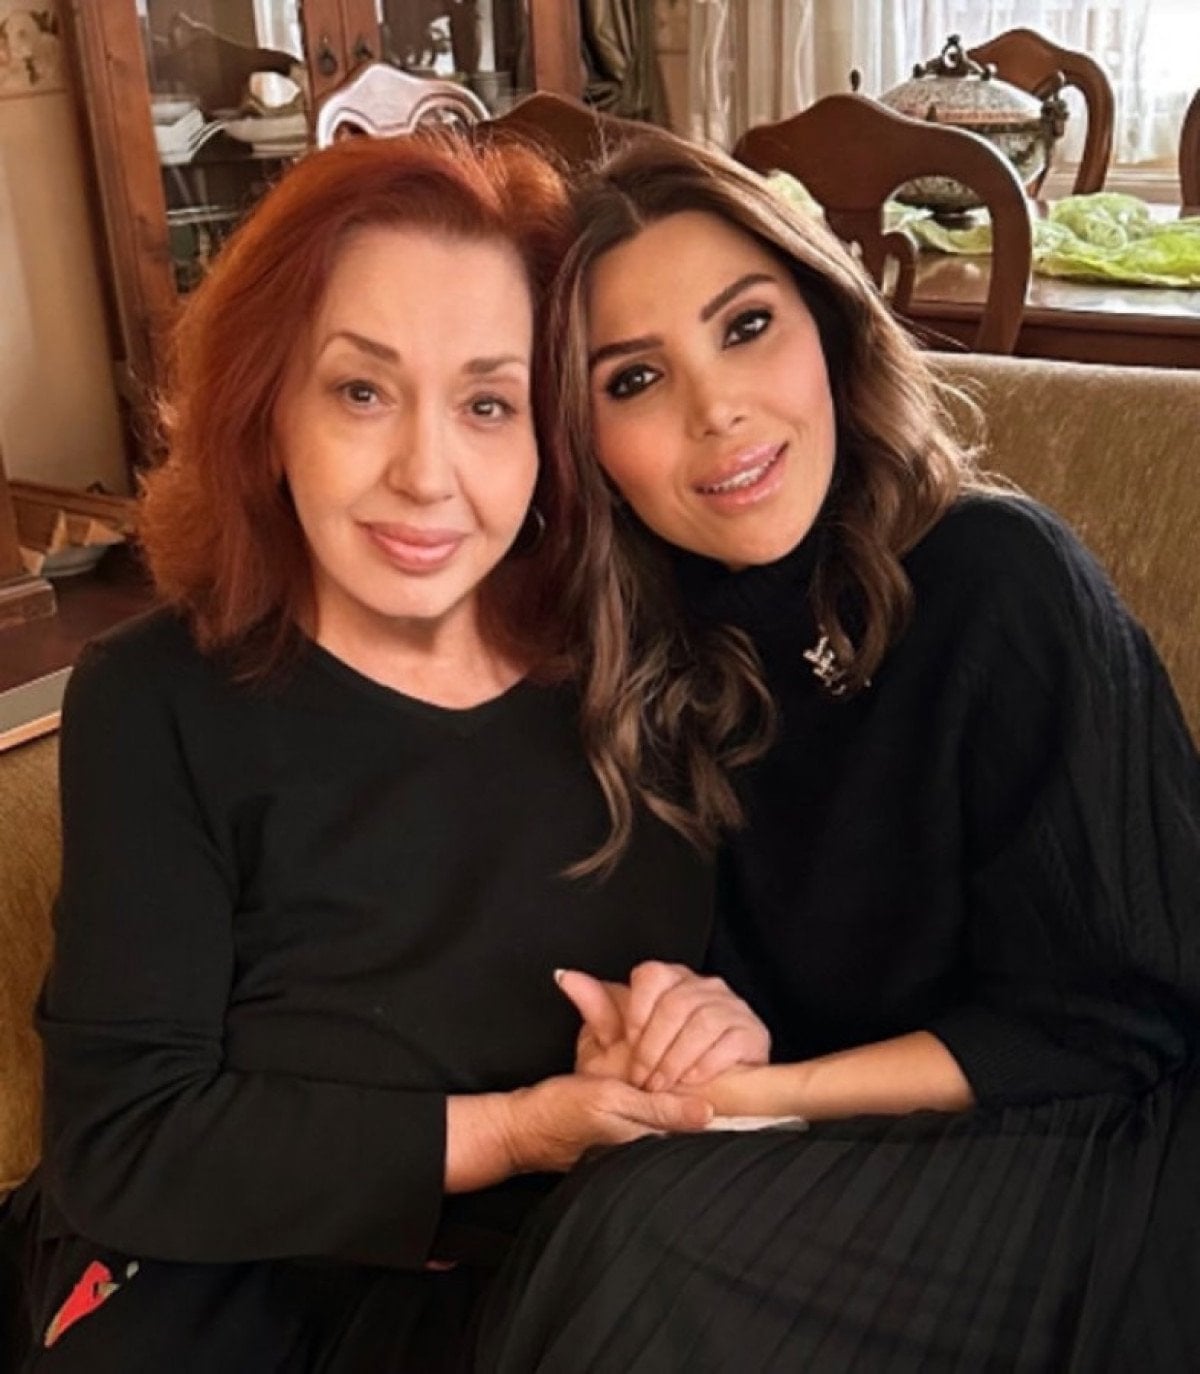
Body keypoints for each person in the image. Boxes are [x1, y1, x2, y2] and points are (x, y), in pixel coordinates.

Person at [7, 131, 776, 1373]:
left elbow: (768, 1001)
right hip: (218, 1283)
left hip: (569, 1282)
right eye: (361, 392)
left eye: (488, 405)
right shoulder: (157, 699)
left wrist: (711, 1031)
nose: (426, 474)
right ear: (267, 412)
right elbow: (127, 1146)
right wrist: (515, 1131)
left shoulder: (648, 662)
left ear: (551, 442)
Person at [469, 131, 1200, 1371]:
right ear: (583, 442)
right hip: (835, 1151)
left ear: (829, 325)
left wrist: (744, 1100)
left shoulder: (997, 582)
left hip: (1110, 1140)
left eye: (746, 327)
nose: (717, 410)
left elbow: (1111, 1025)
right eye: (634, 379)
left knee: (644, 1237)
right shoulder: (631, 651)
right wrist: (677, 1032)